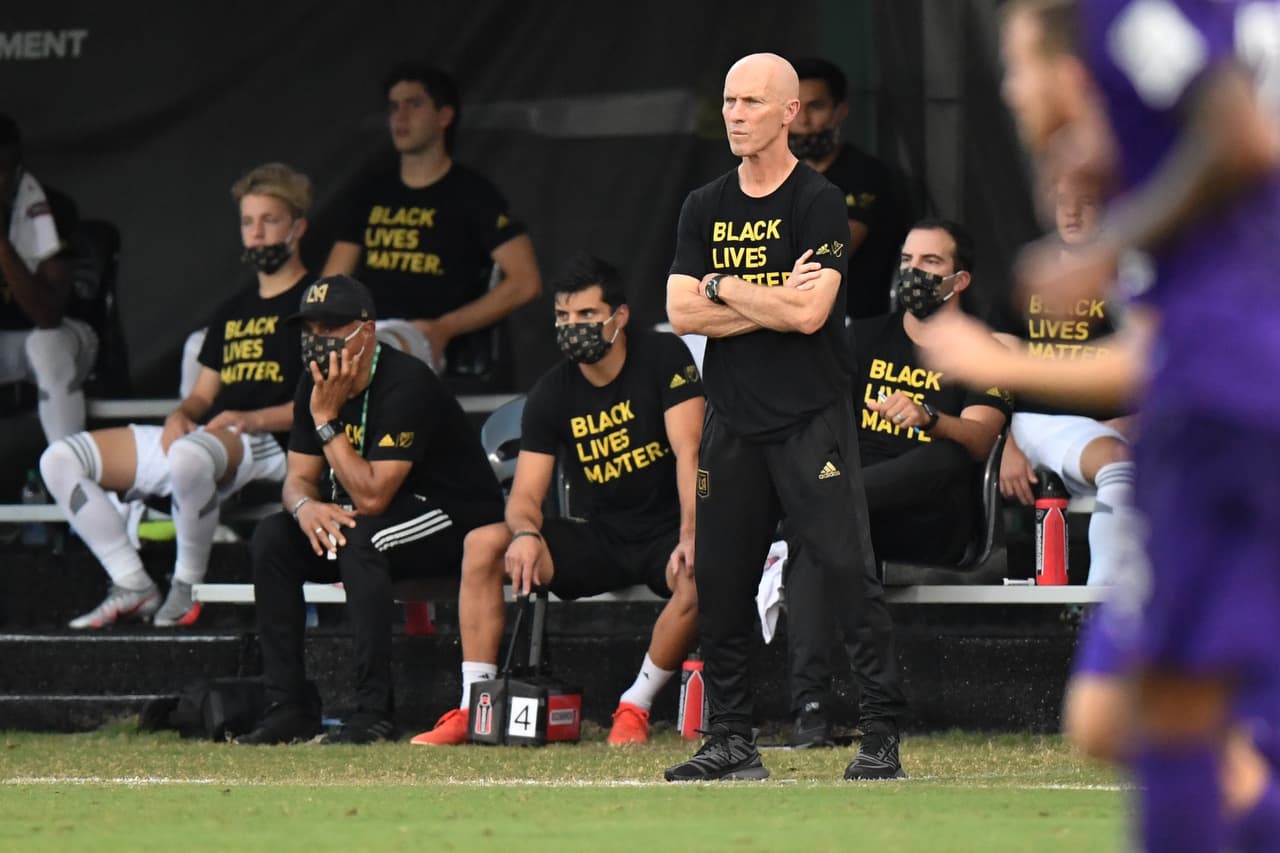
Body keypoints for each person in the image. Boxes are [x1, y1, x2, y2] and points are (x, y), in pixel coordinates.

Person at [932, 2, 1280, 849]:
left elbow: (1241, 133)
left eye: (1019, 66)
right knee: (1118, 713)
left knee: (1161, 707)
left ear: (1071, 66)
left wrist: (1093, 254)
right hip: (1214, 410)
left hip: (1224, 416)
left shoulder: (1129, 15)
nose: (1012, 91)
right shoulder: (1156, 153)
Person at [662, 52, 906, 783]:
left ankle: (881, 735)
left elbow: (810, 313)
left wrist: (723, 286)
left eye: (751, 102)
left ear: (789, 113)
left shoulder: (819, 201)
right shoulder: (703, 204)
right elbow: (679, 313)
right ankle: (733, 740)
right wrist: (759, 296)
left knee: (844, 570)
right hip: (732, 417)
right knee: (722, 579)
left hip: (811, 416)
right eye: (730, 101)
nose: (735, 114)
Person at [409, 253, 705, 747]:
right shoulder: (552, 392)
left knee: (706, 570)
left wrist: (693, 534)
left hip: (667, 532)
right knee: (484, 544)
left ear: (620, 317)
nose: (573, 328)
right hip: (599, 535)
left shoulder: (664, 357)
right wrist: (525, 532)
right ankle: (471, 707)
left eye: (587, 316)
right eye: (563, 318)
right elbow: (525, 493)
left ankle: (635, 705)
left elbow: (689, 452)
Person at [40, 162, 311, 628]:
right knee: (60, 460)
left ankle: (186, 587)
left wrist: (253, 419)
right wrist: (181, 414)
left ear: (298, 227)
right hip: (216, 437)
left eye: (270, 220)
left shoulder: (316, 302)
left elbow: (329, 402)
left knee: (189, 454)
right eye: (248, 222)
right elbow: (202, 395)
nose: (258, 233)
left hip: (279, 441)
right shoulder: (235, 310)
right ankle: (133, 583)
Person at [236, 274, 504, 745]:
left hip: (451, 516)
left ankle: (372, 712)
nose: (319, 342)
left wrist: (326, 420)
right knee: (273, 539)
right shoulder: (313, 383)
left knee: (363, 538)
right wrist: (304, 509)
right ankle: (289, 706)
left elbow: (374, 496)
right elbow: (298, 479)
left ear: (367, 329)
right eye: (311, 331)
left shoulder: (406, 381)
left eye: (332, 328)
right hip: (376, 513)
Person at [781, 219, 1011, 747]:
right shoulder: (858, 338)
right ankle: (811, 712)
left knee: (943, 459)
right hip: (860, 509)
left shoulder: (980, 351)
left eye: (931, 263)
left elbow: (979, 441)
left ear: (960, 281)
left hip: (932, 516)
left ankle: (826, 504)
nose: (913, 272)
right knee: (821, 525)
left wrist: (929, 416)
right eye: (907, 261)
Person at [323, 61, 542, 388]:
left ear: (444, 116)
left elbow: (526, 282)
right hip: (367, 339)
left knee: (394, 361)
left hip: (432, 346)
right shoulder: (370, 193)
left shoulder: (472, 193)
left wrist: (445, 327)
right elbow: (330, 284)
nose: (400, 116)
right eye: (394, 107)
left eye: (414, 104)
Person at [997, 173, 1135, 586]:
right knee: (1121, 466)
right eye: (1062, 201)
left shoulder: (1127, 279)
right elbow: (994, 366)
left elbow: (1155, 361)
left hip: (1103, 429)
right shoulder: (1031, 274)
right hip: (1034, 421)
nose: (1072, 212)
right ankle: (1099, 608)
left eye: (1086, 201)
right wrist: (1004, 442)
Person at [0, 113, 98, 445]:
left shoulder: (51, 207)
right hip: (5, 346)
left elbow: (47, 315)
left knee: (46, 345)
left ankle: (68, 474)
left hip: (66, 340)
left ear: (16, 166)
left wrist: (1, 244)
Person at [790, 57, 913, 319]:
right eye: (794, 107)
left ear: (840, 111)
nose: (803, 120)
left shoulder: (867, 175)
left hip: (852, 323)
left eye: (816, 107)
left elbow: (829, 255)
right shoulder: (776, 176)